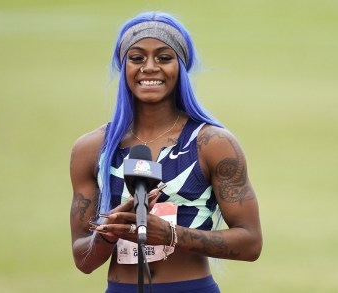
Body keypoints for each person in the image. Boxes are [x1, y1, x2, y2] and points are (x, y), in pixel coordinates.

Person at [69, 11, 262, 293]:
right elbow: (82, 260)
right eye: (136, 58)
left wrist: (170, 235)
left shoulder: (213, 144)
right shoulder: (91, 149)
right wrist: (109, 233)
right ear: (123, 67)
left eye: (163, 57)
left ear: (180, 66)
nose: (149, 67)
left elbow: (251, 242)